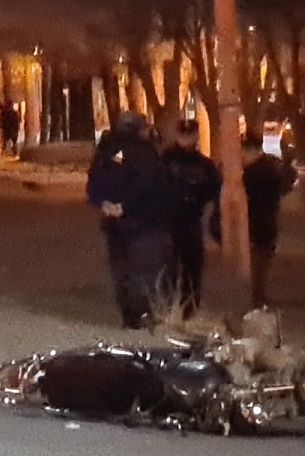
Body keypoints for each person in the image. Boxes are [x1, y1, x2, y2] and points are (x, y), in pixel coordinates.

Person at [86, 111, 176, 329]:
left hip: (114, 223)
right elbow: (149, 186)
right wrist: (124, 206)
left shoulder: (105, 151)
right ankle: (143, 315)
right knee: (143, 270)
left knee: (121, 269)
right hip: (143, 222)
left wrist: (103, 202)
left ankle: (129, 316)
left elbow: (93, 181)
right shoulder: (144, 153)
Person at [161, 119, 220, 318]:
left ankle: (189, 309)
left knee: (191, 269)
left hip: (190, 221)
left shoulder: (203, 164)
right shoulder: (167, 160)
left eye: (189, 135)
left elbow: (214, 190)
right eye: (183, 135)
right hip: (168, 222)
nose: (186, 139)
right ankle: (169, 307)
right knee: (168, 268)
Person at [240, 135, 296, 308]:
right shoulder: (272, 165)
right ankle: (259, 295)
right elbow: (289, 178)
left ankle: (258, 296)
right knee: (263, 258)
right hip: (268, 216)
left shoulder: (255, 171)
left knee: (259, 260)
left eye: (244, 152)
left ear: (252, 151)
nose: (242, 156)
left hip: (259, 218)